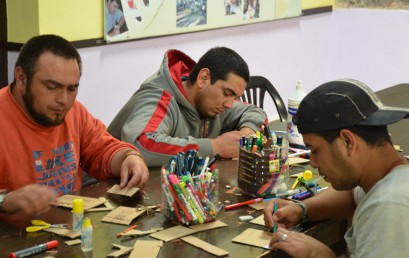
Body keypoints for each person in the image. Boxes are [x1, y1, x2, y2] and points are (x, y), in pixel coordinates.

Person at [0, 34, 149, 226]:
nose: (63, 100)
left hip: (68, 232)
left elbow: (103, 149)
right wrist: (4, 201)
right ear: (21, 79)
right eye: (52, 87)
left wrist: (130, 158)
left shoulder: (73, 112)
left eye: (72, 89)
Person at [264, 79, 409, 258]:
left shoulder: (389, 207)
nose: (313, 163)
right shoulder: (388, 174)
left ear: (347, 141)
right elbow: (352, 195)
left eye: (315, 150)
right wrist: (301, 210)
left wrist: (320, 254)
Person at [108, 47, 268, 167]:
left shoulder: (216, 104)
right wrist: (215, 146)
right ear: (203, 78)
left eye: (235, 97)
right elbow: (142, 144)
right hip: (103, 192)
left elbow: (254, 111)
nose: (229, 104)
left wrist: (247, 133)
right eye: (227, 92)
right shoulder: (158, 98)